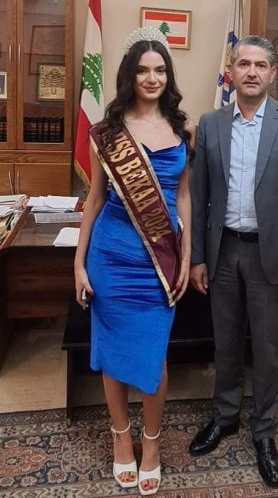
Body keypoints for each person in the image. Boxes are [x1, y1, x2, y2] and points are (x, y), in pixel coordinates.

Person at [189, 35, 278, 488]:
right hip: (223, 251)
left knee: (267, 347)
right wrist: (197, 258)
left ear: (272, 74)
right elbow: (199, 197)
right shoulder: (210, 124)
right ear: (230, 71)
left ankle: (264, 432)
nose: (250, 71)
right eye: (243, 63)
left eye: (260, 65)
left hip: (273, 256)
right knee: (225, 341)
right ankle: (225, 417)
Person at [74, 26, 194, 496]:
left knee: (153, 352)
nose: (152, 78)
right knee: (114, 351)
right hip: (111, 254)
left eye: (160, 69)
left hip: (158, 260)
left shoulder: (183, 128)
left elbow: (183, 196)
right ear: (130, 75)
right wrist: (79, 263)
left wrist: (187, 251)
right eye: (143, 70)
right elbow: (94, 200)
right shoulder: (107, 133)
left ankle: (152, 442)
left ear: (168, 75)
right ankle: (121, 437)